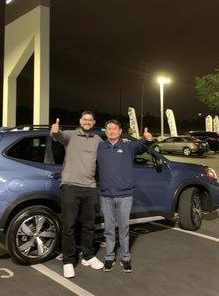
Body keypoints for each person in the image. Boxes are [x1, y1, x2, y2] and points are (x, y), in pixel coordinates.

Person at [97, 119, 155, 273]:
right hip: (106, 194)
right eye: (109, 129)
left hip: (124, 194)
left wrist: (147, 140)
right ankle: (109, 257)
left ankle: (125, 258)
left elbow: (142, 146)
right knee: (109, 228)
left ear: (120, 131)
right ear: (105, 131)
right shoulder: (100, 147)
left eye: (114, 129)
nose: (111, 131)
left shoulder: (128, 146)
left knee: (123, 228)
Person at [51, 111, 104, 278]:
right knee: (69, 226)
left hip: (90, 187)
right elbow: (58, 136)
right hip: (70, 186)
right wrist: (54, 131)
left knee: (89, 225)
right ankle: (68, 261)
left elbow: (109, 151)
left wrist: (127, 143)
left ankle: (88, 255)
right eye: (84, 119)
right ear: (80, 121)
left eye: (90, 120)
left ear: (93, 123)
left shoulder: (97, 140)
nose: (87, 122)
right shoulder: (71, 135)